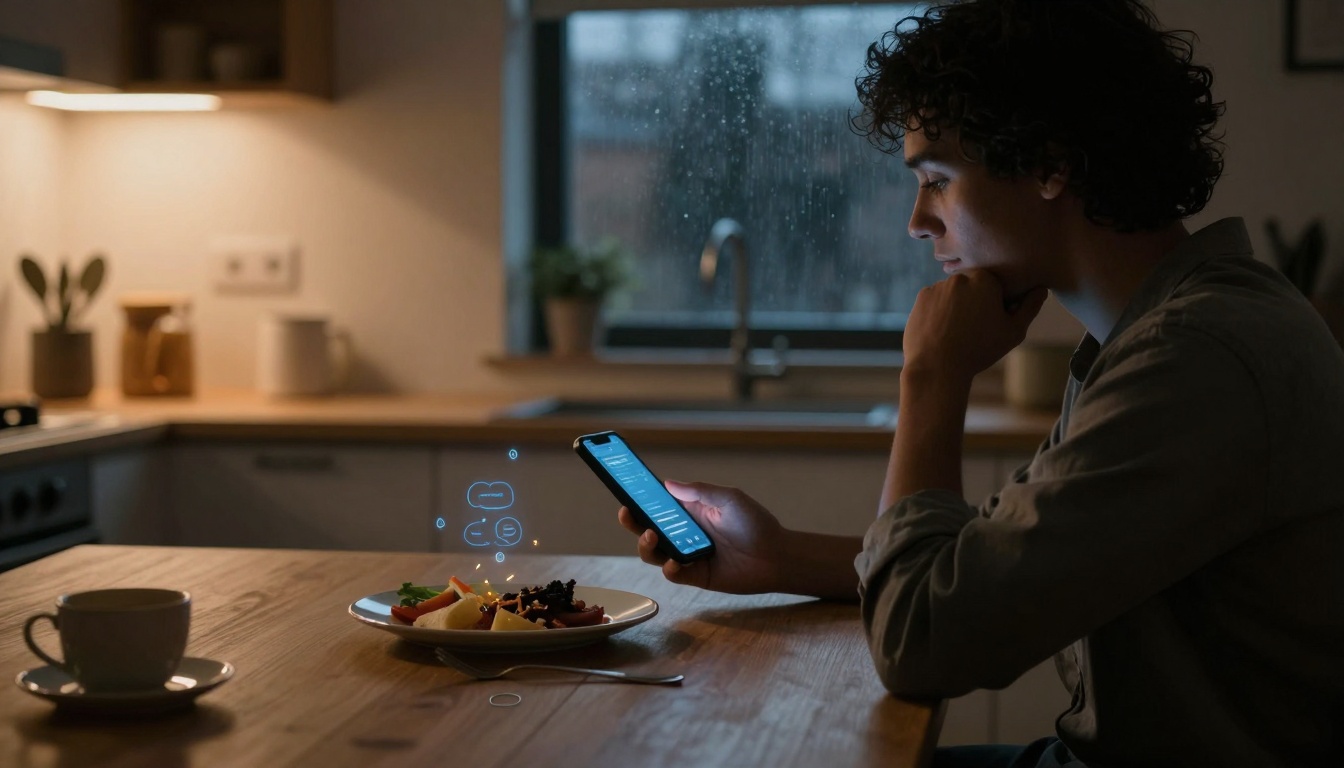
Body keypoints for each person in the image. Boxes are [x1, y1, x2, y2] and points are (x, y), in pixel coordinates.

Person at [616, 1, 1344, 766]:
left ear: (1051, 165)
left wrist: (932, 375)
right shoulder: (1166, 331)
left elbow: (923, 643)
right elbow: (987, 563)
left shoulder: (1191, 359)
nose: (917, 222)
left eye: (936, 179)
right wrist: (778, 557)